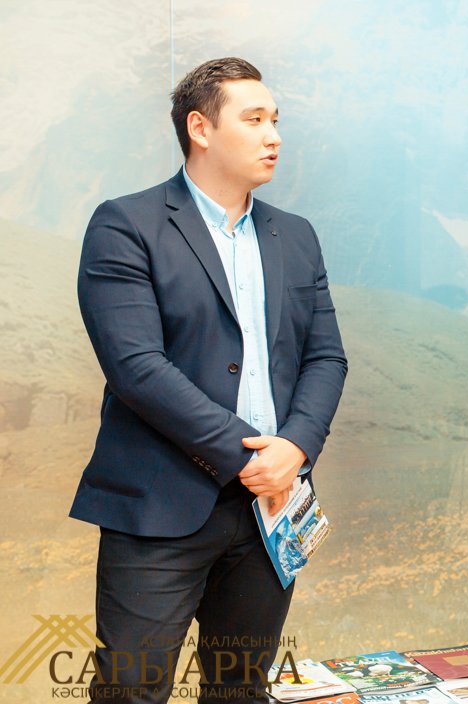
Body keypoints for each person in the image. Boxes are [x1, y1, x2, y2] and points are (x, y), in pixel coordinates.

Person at [71, 57, 347, 703]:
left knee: (240, 688)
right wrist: (248, 456)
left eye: (275, 120)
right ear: (200, 128)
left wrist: (295, 449)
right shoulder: (126, 224)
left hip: (271, 506)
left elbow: (325, 358)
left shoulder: (295, 235)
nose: (274, 136)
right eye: (254, 120)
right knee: (131, 690)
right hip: (160, 505)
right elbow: (137, 367)